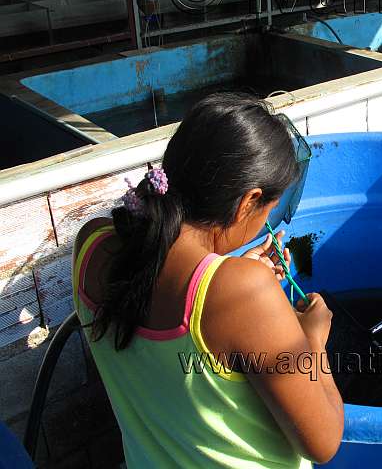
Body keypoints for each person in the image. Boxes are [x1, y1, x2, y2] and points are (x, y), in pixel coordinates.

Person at [72, 92, 343, 468]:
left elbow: (163, 292)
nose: (264, 223)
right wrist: (313, 342)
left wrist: (226, 278)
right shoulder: (245, 291)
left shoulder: (91, 244)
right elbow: (324, 443)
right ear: (248, 202)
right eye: (267, 210)